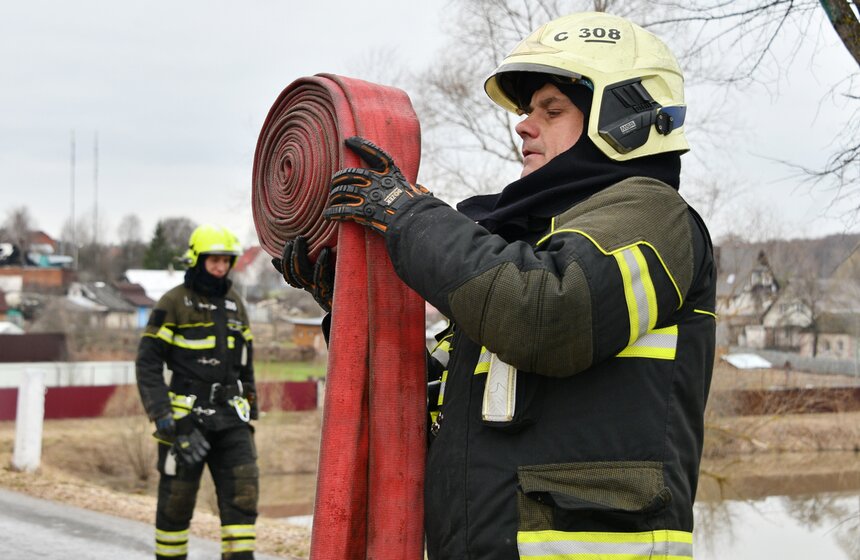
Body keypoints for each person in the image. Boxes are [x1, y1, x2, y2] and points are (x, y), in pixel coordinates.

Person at [283, 11, 715, 559]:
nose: (523, 125)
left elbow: (548, 317)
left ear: (624, 118)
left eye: (550, 110)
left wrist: (410, 216)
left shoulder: (654, 217)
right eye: (527, 110)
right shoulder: (529, 250)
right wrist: (346, 311)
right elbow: (426, 408)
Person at [136, 224, 259, 560]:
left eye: (225, 260)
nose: (220, 266)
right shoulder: (173, 302)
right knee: (175, 506)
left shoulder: (235, 303)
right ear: (197, 259)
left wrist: (250, 413)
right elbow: (147, 363)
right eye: (213, 259)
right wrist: (163, 416)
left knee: (244, 499)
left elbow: (246, 364)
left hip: (231, 420)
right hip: (183, 422)